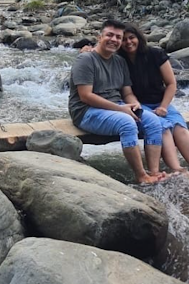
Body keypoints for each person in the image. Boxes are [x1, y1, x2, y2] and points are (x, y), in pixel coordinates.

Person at [69, 19, 168, 184]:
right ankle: (141, 176)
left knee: (153, 121)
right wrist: (120, 109)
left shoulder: (120, 62)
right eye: (109, 35)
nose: (114, 40)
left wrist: (134, 103)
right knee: (126, 123)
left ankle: (154, 173)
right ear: (99, 36)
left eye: (118, 37)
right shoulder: (86, 60)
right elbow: (85, 96)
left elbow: (127, 92)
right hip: (86, 111)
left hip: (115, 107)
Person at [118, 23, 189, 173]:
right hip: (138, 103)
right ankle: (177, 168)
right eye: (124, 40)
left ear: (139, 38)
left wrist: (163, 106)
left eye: (132, 38)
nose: (128, 42)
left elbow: (171, 84)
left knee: (179, 127)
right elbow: (127, 92)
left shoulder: (155, 54)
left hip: (160, 101)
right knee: (162, 127)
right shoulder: (119, 60)